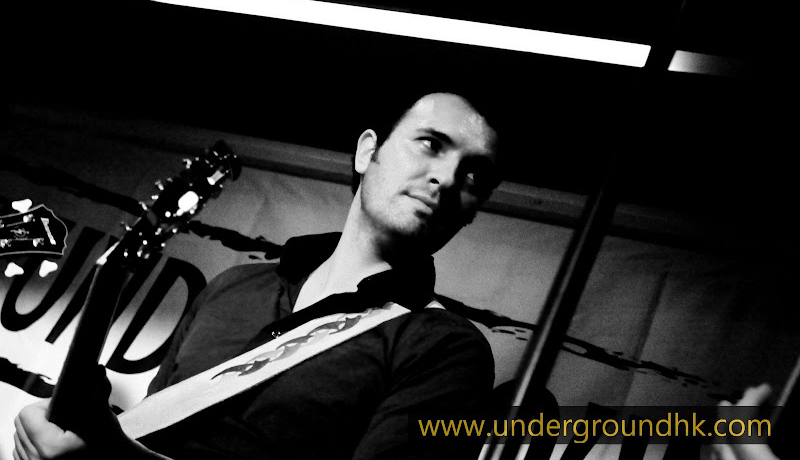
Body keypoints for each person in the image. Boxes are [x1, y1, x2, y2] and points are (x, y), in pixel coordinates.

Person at [12, 91, 502, 459]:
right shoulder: (235, 286)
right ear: (366, 152)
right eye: (430, 144)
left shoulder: (446, 348)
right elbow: (150, 432)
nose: (447, 178)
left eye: (474, 176)